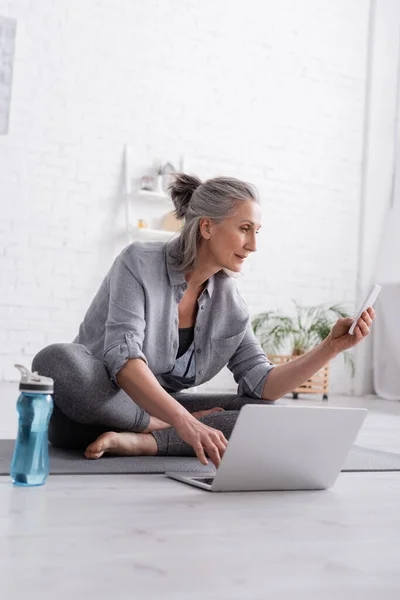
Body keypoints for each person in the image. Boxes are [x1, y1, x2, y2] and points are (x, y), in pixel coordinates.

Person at [32, 173, 375, 468]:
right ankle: (154, 426)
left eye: (257, 231)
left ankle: (145, 442)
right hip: (88, 411)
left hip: (165, 414)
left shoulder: (231, 305)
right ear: (208, 227)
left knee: (263, 413)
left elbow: (263, 383)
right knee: (59, 361)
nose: (253, 244)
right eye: (244, 229)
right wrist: (179, 420)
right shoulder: (138, 261)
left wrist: (331, 347)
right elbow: (123, 362)